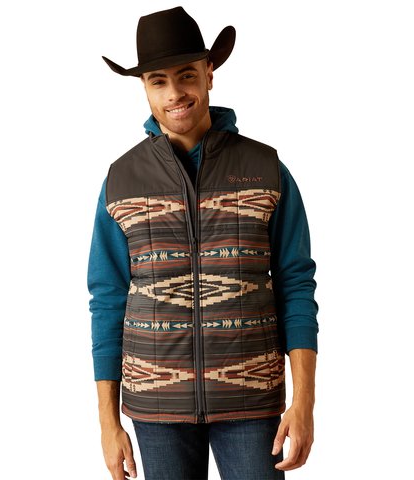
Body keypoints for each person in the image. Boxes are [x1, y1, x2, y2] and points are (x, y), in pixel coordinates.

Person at [87, 6, 319, 480]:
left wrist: (304, 404)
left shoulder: (266, 169)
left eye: (187, 75)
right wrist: (108, 423)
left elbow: (296, 285)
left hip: (252, 401)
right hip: (156, 407)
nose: (174, 93)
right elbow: (107, 299)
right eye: (158, 81)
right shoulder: (121, 180)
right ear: (145, 87)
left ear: (209, 73)